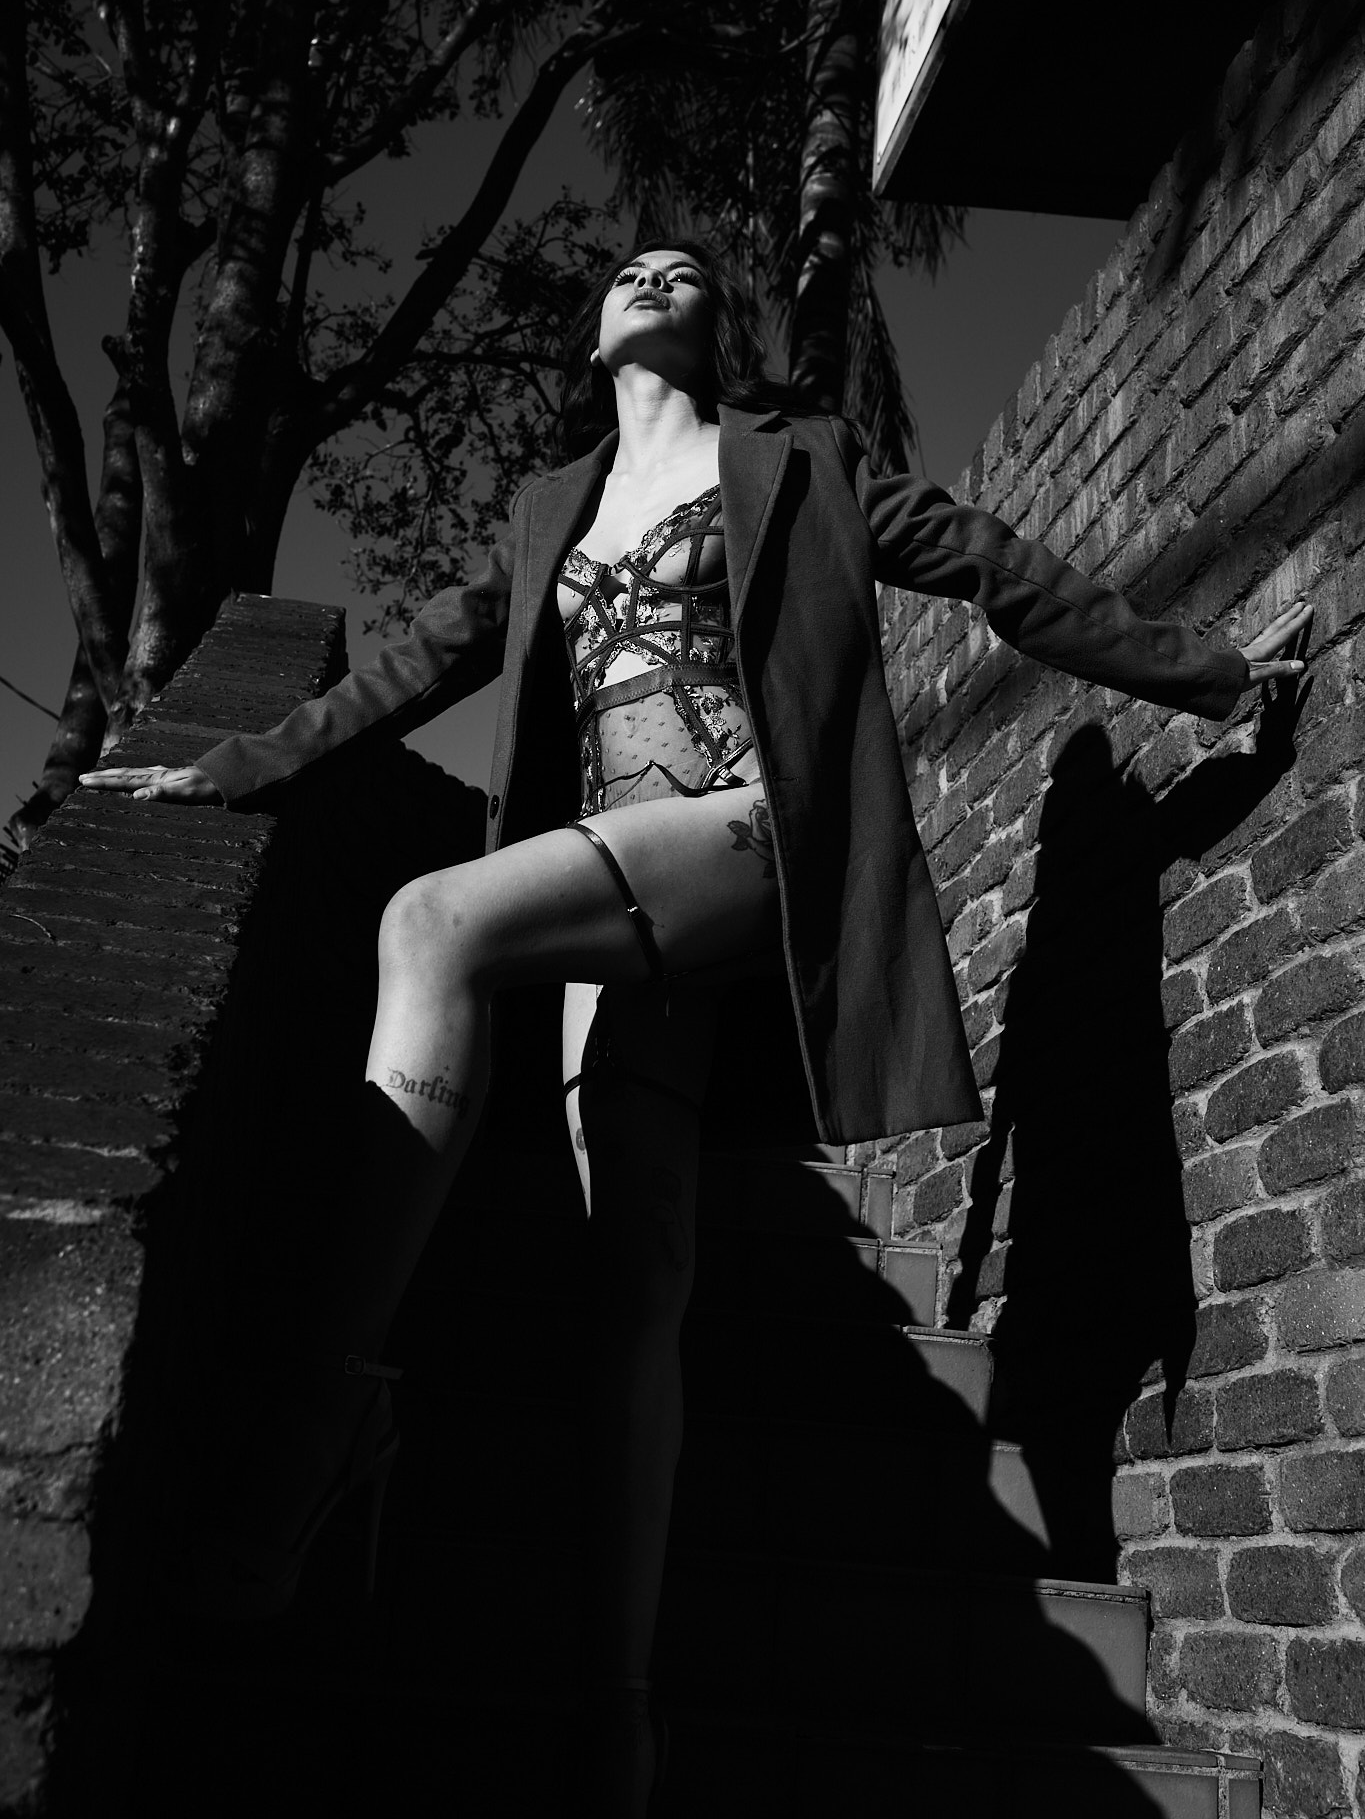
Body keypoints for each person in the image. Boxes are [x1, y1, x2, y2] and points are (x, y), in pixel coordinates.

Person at [82, 240, 1310, 1816]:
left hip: (745, 837)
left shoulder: (801, 461)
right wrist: (242, 762)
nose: (657, 273)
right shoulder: (551, 509)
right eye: (630, 268)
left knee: (431, 922)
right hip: (615, 907)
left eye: (684, 268)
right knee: (635, 1288)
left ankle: (321, 1425)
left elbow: (1001, 572)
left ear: (713, 325)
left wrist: (1208, 675)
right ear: (594, 333)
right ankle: (619, 1714)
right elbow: (407, 666)